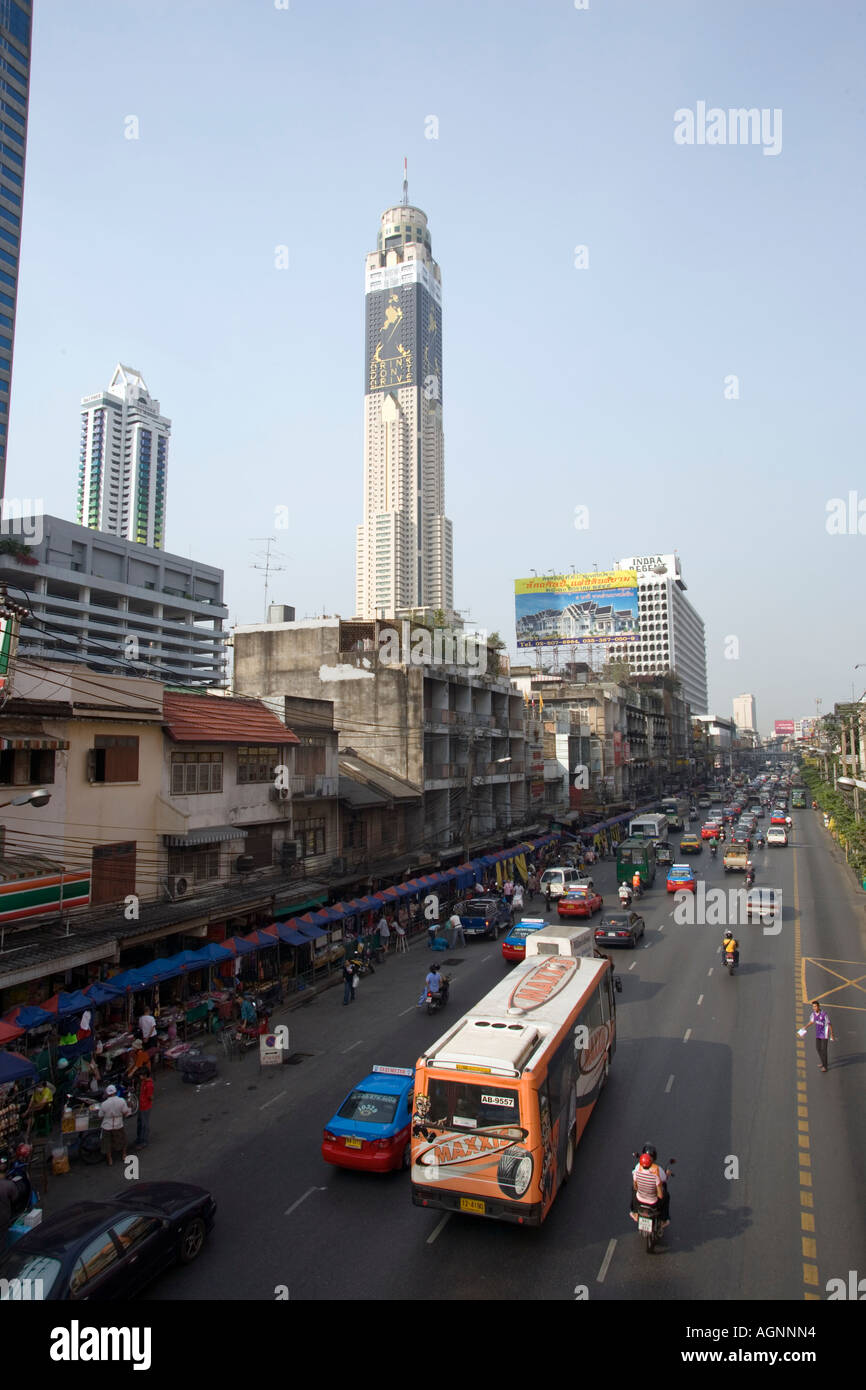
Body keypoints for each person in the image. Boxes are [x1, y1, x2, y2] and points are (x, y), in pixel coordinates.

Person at [630, 1146, 670, 1226]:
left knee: (633, 1191)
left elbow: (635, 1186)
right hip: (653, 1203)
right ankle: (663, 1219)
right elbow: (660, 1195)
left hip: (639, 1200)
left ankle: (634, 1212)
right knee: (667, 1196)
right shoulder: (657, 1172)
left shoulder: (637, 1169)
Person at [97, 1083, 131, 1167]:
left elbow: (100, 1115)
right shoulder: (121, 1101)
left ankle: (110, 1159)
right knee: (123, 1140)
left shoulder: (104, 1104)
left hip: (107, 1126)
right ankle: (124, 1155)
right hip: (118, 1124)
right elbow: (126, 1112)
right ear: (115, 1092)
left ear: (108, 1093)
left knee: (107, 1143)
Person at [803, 1000, 835, 1072]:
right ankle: (823, 1062)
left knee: (824, 1050)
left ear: (818, 1006)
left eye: (815, 1006)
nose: (814, 1008)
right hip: (818, 1034)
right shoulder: (813, 1014)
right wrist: (805, 1027)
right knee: (818, 1048)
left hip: (824, 1034)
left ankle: (825, 1066)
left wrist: (832, 1034)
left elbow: (829, 1024)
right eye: (813, 1006)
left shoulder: (824, 1014)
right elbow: (812, 1021)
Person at [135, 1068, 154, 1148]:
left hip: (145, 1107)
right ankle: (139, 1138)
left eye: (141, 1075)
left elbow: (150, 1096)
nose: (140, 1077)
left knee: (144, 1125)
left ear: (145, 1075)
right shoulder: (143, 1082)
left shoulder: (149, 1084)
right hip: (141, 1105)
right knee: (140, 1122)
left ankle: (144, 1141)